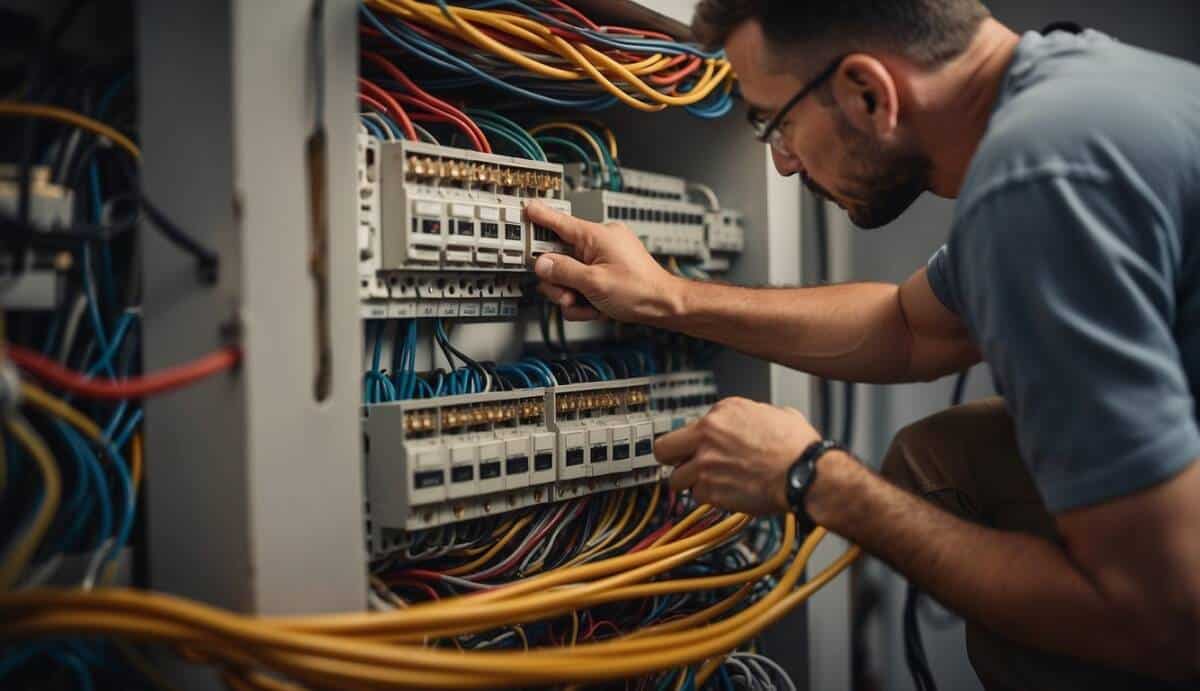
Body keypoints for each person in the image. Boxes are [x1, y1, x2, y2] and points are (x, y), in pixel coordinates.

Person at [523, 1, 1200, 689]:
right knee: (942, 460)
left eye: (774, 122)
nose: (783, 164)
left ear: (868, 94)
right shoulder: (1078, 90)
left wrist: (813, 477)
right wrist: (669, 296)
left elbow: (1157, 614)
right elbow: (906, 327)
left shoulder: (1035, 183)